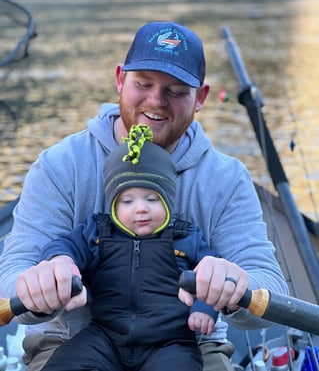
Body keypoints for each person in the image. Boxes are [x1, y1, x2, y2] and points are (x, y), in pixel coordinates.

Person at [0, 21, 288, 371]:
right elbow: (10, 278)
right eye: (143, 84)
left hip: (191, 347)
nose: (156, 101)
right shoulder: (59, 165)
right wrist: (41, 281)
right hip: (68, 342)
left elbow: (271, 291)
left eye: (177, 90)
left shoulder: (227, 179)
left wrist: (233, 284)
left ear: (201, 98)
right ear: (120, 79)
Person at [23, 123, 219, 371]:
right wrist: (61, 260)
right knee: (65, 364)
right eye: (127, 201)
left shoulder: (185, 237)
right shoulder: (97, 232)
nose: (140, 208)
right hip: (105, 335)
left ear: (168, 201)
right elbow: (64, 245)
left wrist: (204, 309)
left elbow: (212, 276)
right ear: (114, 205)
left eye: (152, 199)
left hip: (171, 341)